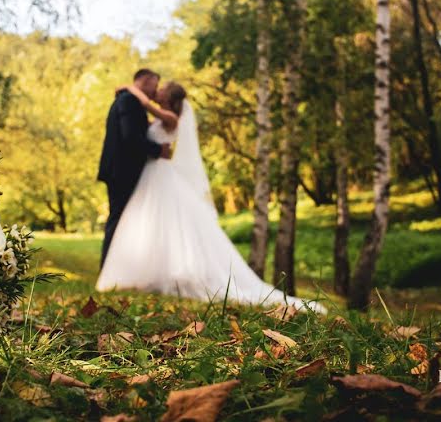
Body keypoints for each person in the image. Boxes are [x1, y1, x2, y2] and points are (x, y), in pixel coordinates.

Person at [96, 79, 326, 313]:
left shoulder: (171, 119)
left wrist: (131, 88)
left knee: (165, 223)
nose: (158, 91)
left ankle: (175, 273)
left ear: (170, 99)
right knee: (149, 225)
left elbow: (147, 103)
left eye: (162, 90)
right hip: (152, 174)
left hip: (161, 174)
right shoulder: (162, 115)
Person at [97, 69, 171, 269]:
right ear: (145, 81)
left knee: (122, 218)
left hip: (120, 169)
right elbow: (130, 137)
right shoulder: (129, 101)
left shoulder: (127, 99)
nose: (155, 91)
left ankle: (116, 268)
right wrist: (157, 150)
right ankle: (108, 268)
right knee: (119, 218)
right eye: (154, 85)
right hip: (122, 171)